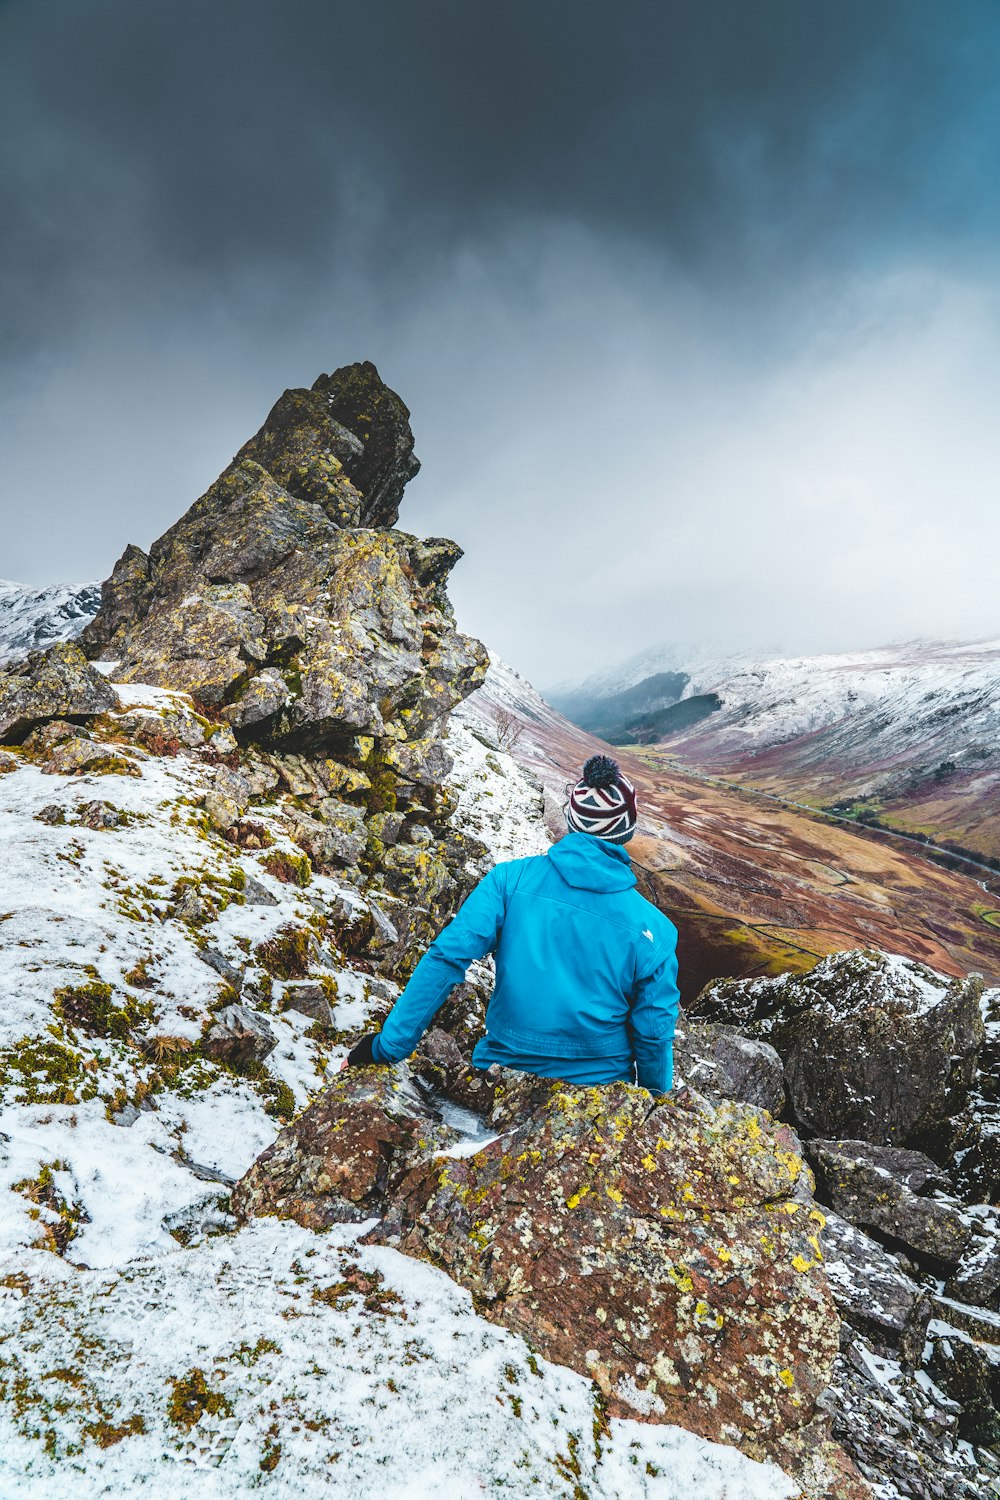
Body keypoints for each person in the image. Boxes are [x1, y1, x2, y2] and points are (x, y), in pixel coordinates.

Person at [345, 754, 680, 1092]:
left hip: (501, 1077)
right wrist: (652, 1103)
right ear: (626, 830)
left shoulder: (509, 880)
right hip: (598, 1092)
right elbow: (653, 1032)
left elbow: (446, 958)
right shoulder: (655, 931)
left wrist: (387, 1048)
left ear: (572, 818)